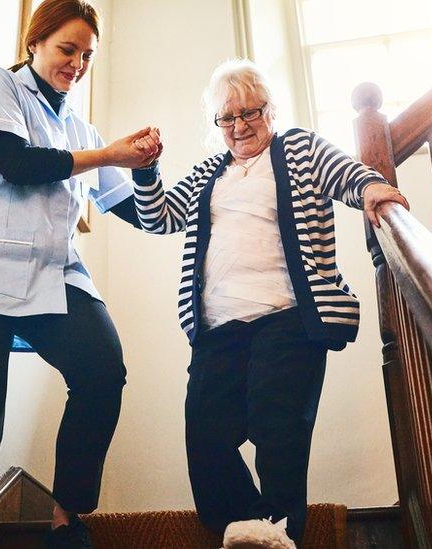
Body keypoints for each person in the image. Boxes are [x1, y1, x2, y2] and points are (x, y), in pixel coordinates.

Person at [128, 59, 408, 547]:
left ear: (269, 109)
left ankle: (275, 527)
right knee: (205, 432)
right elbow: (160, 218)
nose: (239, 126)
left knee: (277, 425)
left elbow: (342, 172)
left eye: (249, 112)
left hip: (289, 318)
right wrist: (146, 170)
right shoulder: (207, 172)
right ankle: (246, 529)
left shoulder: (297, 146)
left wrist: (370, 188)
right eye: (227, 118)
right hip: (218, 327)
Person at [0, 1, 159, 547]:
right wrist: (105, 155)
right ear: (35, 43)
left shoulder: (80, 126)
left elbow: (142, 214)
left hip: (54, 277)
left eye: (87, 55)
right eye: (67, 49)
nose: (77, 63)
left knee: (103, 372)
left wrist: (146, 166)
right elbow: (16, 161)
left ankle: (66, 517)